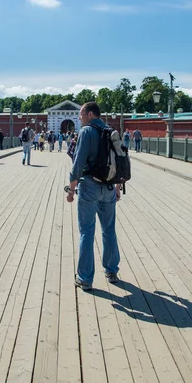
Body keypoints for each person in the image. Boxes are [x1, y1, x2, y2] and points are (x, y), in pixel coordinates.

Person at [66, 102, 121, 291]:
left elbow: (78, 164)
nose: (80, 118)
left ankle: (85, 279)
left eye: (81, 115)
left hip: (89, 187)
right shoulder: (110, 130)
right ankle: (112, 271)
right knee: (109, 230)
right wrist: (117, 186)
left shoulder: (87, 132)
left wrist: (71, 190)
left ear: (90, 114)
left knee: (87, 232)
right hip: (108, 188)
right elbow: (119, 160)